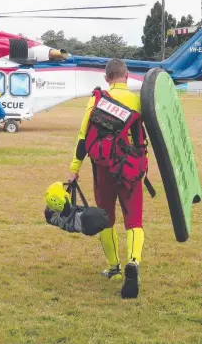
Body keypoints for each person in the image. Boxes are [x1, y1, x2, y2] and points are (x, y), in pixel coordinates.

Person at [68, 59, 148, 299]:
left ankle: (114, 265)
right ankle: (133, 262)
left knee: (106, 218)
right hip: (129, 169)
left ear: (107, 79)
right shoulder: (138, 101)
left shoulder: (97, 99)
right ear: (127, 76)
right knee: (134, 220)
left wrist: (74, 168)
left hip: (102, 169)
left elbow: (83, 137)